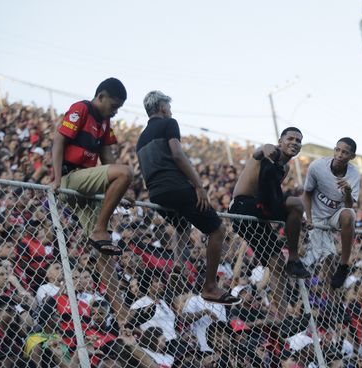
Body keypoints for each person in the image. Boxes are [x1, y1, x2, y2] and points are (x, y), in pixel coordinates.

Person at [136, 90, 240, 305]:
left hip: (156, 193)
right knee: (217, 229)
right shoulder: (169, 122)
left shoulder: (141, 137)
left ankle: (177, 264)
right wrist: (199, 186)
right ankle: (210, 286)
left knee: (182, 226)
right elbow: (177, 154)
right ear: (163, 108)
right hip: (176, 187)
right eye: (169, 107)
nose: (171, 111)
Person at [51, 77, 133, 326]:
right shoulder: (81, 109)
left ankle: (122, 313)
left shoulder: (105, 121)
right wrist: (56, 178)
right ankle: (99, 228)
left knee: (104, 250)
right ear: (101, 96)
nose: (116, 110)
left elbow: (107, 156)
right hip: (70, 179)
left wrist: (120, 189)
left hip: (85, 186)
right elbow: (58, 141)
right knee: (126, 172)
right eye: (114, 105)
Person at [229, 127, 310, 318]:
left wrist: (295, 219)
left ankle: (282, 317)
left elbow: (271, 195)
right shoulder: (267, 151)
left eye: (298, 140)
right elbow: (258, 153)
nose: (295, 142)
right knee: (293, 204)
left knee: (277, 264)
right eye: (290, 138)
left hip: (262, 210)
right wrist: (265, 149)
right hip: (243, 206)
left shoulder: (286, 168)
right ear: (280, 141)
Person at [302, 137, 361, 288]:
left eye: (345, 152)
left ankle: (344, 264)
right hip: (315, 215)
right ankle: (326, 296)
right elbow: (307, 193)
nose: (340, 154)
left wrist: (347, 191)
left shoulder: (354, 174)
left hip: (334, 215)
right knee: (326, 258)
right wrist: (309, 218)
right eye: (338, 150)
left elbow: (349, 205)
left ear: (352, 157)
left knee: (349, 215)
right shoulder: (317, 166)